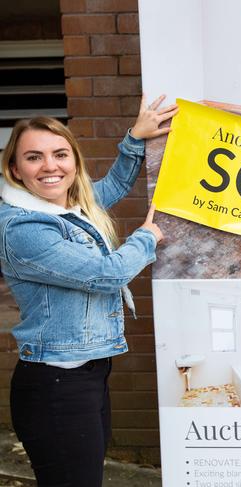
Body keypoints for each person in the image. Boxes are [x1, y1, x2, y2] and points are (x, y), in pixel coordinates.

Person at [0, 95, 178, 486]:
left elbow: (111, 187)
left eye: (60, 154)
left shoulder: (66, 208)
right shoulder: (24, 228)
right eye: (34, 157)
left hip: (85, 375)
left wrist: (135, 138)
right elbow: (107, 274)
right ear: (15, 168)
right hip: (56, 386)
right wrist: (146, 238)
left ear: (74, 161)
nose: (50, 166)